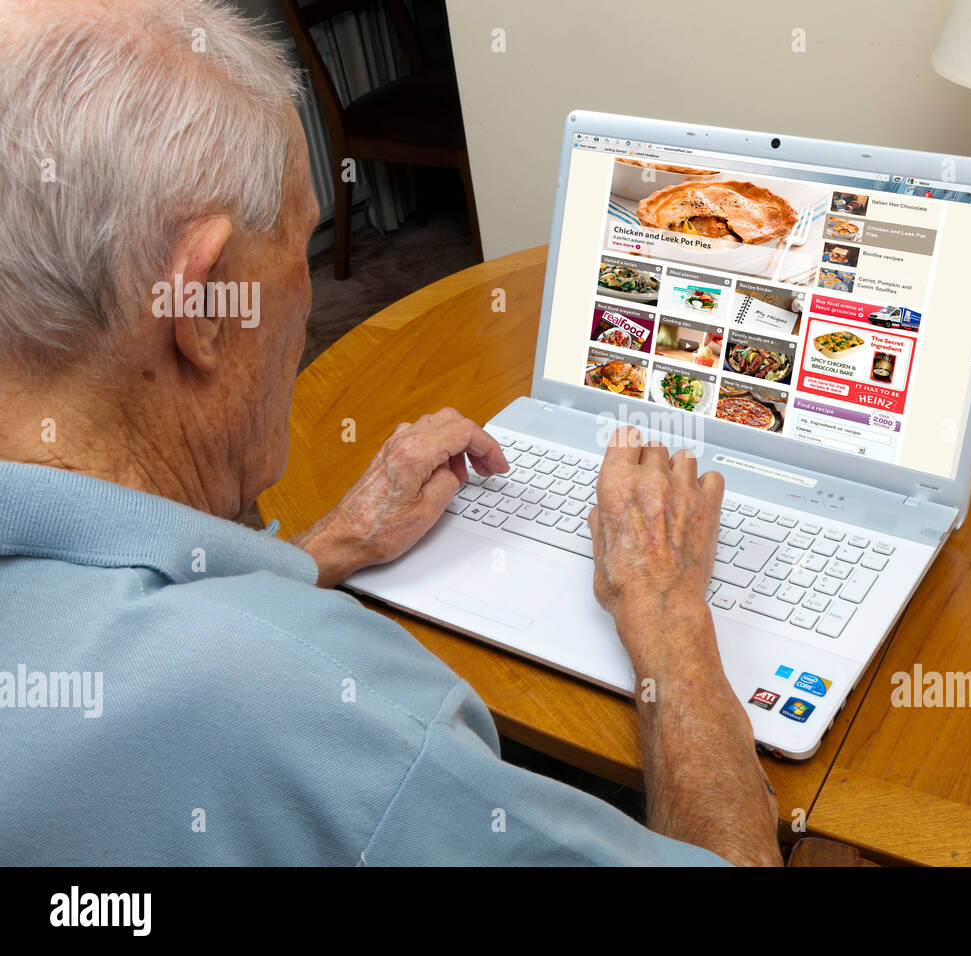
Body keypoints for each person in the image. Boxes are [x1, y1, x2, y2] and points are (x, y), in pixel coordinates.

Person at [0, 0, 781, 866]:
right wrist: (666, 609)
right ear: (206, 304)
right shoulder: (328, 713)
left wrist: (329, 545)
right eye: (299, 240)